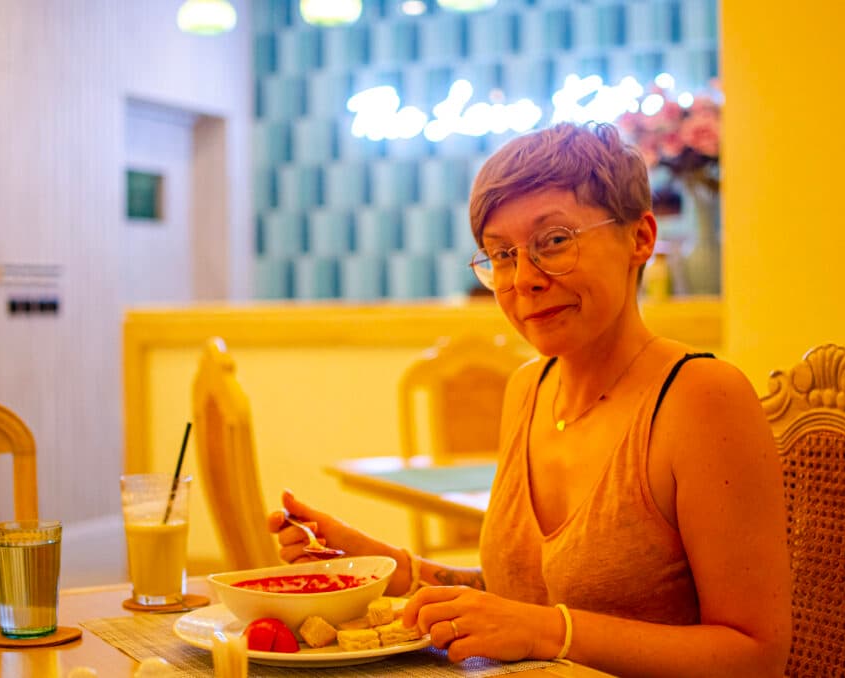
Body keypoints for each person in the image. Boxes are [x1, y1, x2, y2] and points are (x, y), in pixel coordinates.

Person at [268, 121, 792, 677]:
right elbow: (520, 599)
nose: (523, 280)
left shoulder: (699, 398)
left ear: (640, 238)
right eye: (501, 255)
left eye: (555, 241)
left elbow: (755, 655)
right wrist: (385, 567)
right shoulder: (529, 388)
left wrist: (550, 632)